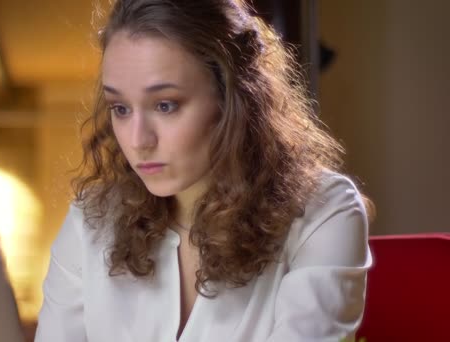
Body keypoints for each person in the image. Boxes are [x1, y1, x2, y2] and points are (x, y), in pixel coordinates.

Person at [35, 0, 373, 341]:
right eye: (120, 108)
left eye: (165, 105)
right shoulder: (91, 221)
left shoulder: (323, 212)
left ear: (233, 99)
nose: (138, 140)